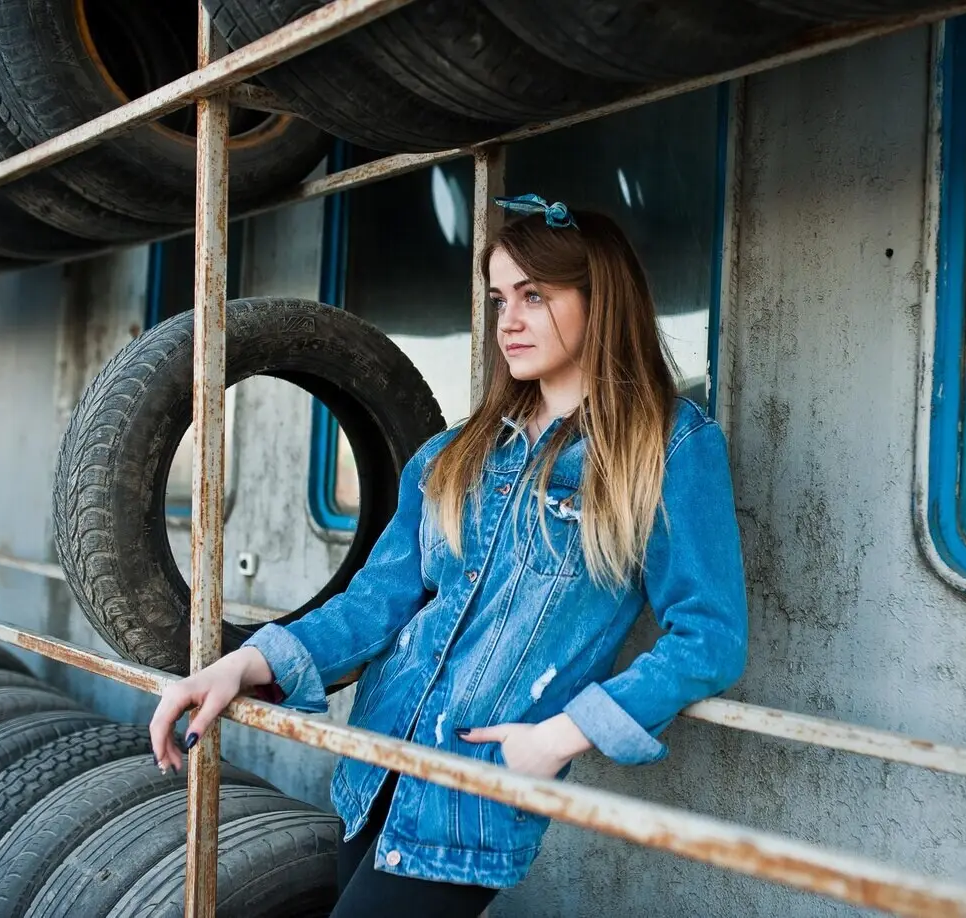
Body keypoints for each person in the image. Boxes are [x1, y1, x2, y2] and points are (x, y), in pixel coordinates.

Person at [149, 194, 749, 917]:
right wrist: (247, 662)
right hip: (372, 768)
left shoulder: (669, 447)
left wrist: (561, 736)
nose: (510, 321)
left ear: (602, 301)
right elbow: (379, 604)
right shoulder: (454, 453)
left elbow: (709, 636)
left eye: (535, 296)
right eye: (499, 299)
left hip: (475, 795)